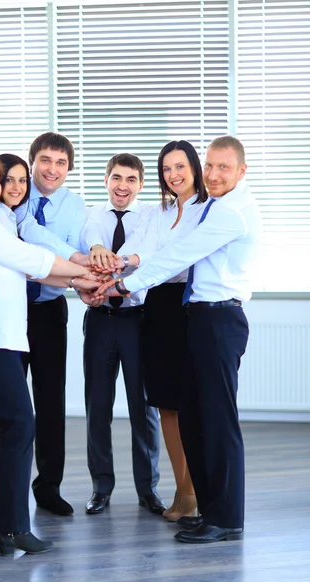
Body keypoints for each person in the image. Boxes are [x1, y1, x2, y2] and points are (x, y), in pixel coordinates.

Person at [95, 136, 262, 543]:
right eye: (211, 165)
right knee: (195, 417)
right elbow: (155, 249)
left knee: (219, 423)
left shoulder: (228, 213)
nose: (214, 174)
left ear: (241, 171)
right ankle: (210, 509)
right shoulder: (219, 207)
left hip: (219, 318)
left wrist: (120, 287)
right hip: (201, 317)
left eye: (224, 167)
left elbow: (177, 255)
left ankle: (226, 519)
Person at [0, 153, 97, 555]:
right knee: (18, 425)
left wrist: (78, 285)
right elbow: (31, 258)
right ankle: (14, 527)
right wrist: (84, 275)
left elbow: (30, 269)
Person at [117, 141, 208, 522]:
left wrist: (129, 273)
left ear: (195, 168)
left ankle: (194, 491)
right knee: (166, 404)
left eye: (180, 166)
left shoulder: (208, 210)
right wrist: (114, 265)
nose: (173, 175)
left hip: (188, 309)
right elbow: (138, 250)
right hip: (157, 307)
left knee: (191, 404)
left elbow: (174, 258)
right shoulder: (159, 211)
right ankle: (183, 489)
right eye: (166, 169)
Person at [80, 153, 166, 515]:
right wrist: (98, 249)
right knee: (97, 406)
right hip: (99, 319)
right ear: (105, 179)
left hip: (137, 320)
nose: (122, 186)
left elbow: (145, 250)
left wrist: (121, 261)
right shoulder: (93, 215)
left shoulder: (153, 215)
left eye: (131, 179)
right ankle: (101, 486)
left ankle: (148, 489)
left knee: (143, 408)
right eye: (116, 177)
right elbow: (91, 239)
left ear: (141, 185)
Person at [15, 133, 90, 516]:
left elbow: (80, 246)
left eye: (61, 163)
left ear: (69, 168)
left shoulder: (76, 206)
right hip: (11, 311)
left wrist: (84, 264)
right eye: (45, 160)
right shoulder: (12, 193)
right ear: (32, 162)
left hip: (48, 312)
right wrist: (75, 260)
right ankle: (9, 490)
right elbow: (30, 235)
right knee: (12, 406)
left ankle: (48, 487)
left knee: (50, 401)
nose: (52, 169)